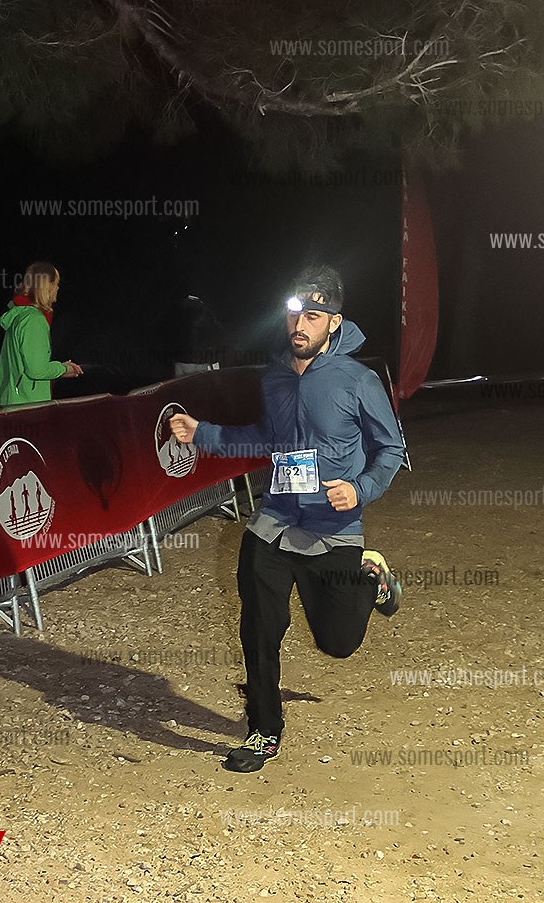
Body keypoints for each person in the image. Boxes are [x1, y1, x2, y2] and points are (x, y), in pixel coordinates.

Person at [170, 265, 405, 773]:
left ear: (334, 323)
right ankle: (264, 729)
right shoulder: (274, 377)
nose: (300, 325)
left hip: (333, 528)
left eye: (313, 317)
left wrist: (359, 488)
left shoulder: (358, 381)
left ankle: (371, 577)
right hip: (274, 520)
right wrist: (202, 432)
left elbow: (392, 449)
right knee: (259, 627)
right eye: (294, 314)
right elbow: (265, 438)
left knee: (337, 643)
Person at [0, 262, 83, 409]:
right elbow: (36, 370)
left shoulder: (20, 316)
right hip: (27, 408)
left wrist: (58, 370)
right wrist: (63, 368)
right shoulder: (34, 321)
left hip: (12, 402)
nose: (58, 288)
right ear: (47, 286)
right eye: (56, 283)